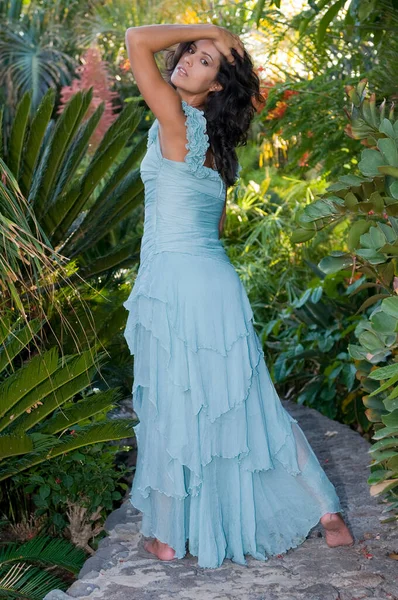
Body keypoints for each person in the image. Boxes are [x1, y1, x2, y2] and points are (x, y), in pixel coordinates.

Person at [122, 22, 354, 570]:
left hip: (177, 283)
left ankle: (172, 536)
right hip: (218, 284)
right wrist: (215, 41)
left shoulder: (176, 122)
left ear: (219, 86)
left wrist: (209, 27)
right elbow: (216, 227)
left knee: (179, 404)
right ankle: (326, 511)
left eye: (205, 61)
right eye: (190, 54)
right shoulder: (218, 153)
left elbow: (135, 39)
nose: (186, 61)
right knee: (252, 402)